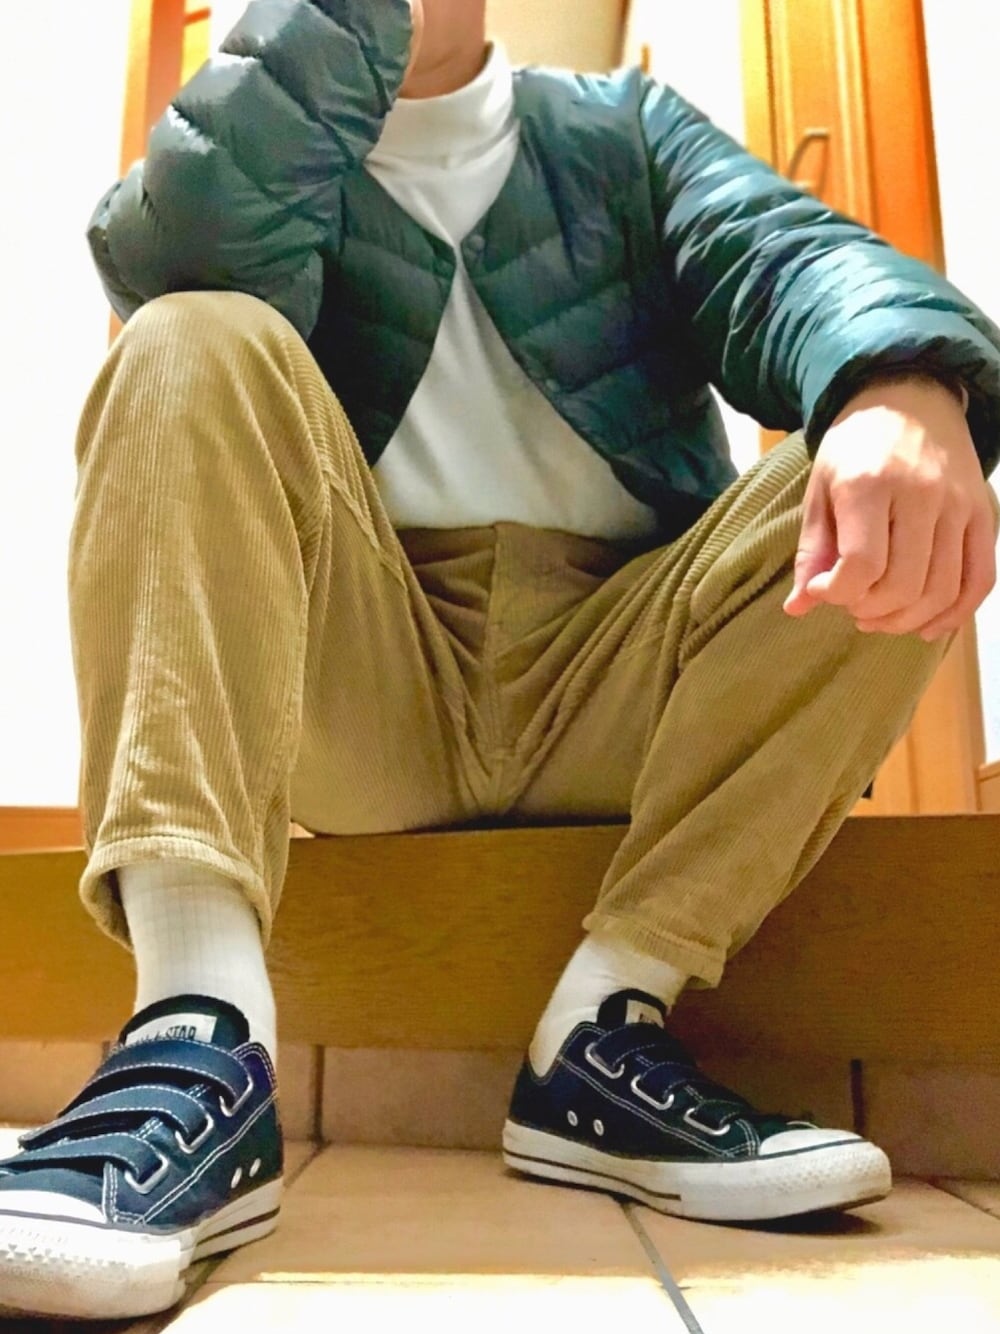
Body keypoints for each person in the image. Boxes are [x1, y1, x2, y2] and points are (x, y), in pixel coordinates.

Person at [1, 0, 998, 1320]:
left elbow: (786, 256)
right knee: (186, 337)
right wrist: (335, 32)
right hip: (369, 676)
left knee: (889, 481)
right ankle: (197, 1042)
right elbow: (176, 260)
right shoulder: (277, 132)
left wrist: (901, 382)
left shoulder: (622, 130)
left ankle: (605, 1030)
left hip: (621, 668)